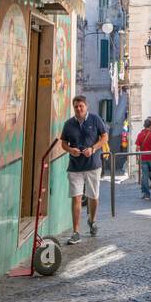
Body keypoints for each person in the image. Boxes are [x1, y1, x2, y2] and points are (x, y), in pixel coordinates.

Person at [60, 95, 108, 244]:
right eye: (76, 107)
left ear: (86, 106)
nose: (79, 109)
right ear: (73, 108)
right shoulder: (68, 124)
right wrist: (70, 150)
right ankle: (76, 232)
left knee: (93, 196)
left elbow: (104, 137)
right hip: (75, 167)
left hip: (93, 165)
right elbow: (63, 143)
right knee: (76, 198)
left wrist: (93, 149)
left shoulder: (95, 120)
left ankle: (92, 221)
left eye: (81, 106)